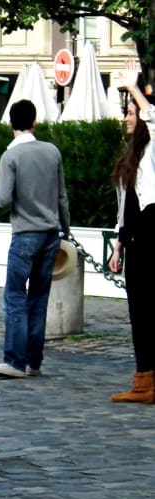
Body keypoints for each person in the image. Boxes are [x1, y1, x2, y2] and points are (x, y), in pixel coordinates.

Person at [0, 99, 71, 379]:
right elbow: (62, 197)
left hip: (24, 234)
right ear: (34, 122)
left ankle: (14, 361)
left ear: (11, 123)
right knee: (38, 297)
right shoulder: (52, 152)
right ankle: (34, 360)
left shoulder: (10, 157)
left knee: (14, 296)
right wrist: (65, 230)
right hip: (51, 234)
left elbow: (3, 198)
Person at [107, 63, 155, 403]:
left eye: (131, 113)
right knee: (139, 312)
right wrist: (118, 244)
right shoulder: (133, 157)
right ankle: (144, 381)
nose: (126, 118)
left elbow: (154, 117)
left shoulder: (152, 152)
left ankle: (146, 383)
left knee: (149, 310)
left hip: (152, 235)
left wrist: (135, 89)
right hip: (136, 240)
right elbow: (125, 206)